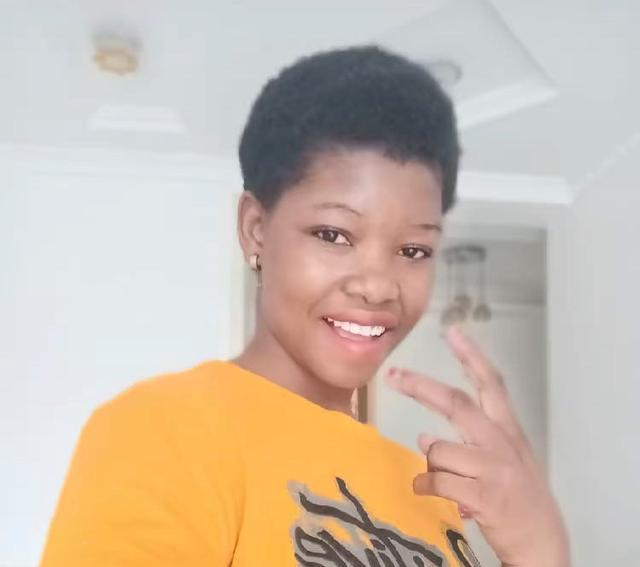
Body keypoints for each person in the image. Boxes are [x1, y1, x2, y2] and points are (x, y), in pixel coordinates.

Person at [40, 45, 570, 567]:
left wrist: (539, 551)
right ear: (256, 229)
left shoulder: (428, 491)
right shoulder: (166, 428)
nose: (378, 287)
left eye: (413, 250)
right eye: (334, 234)